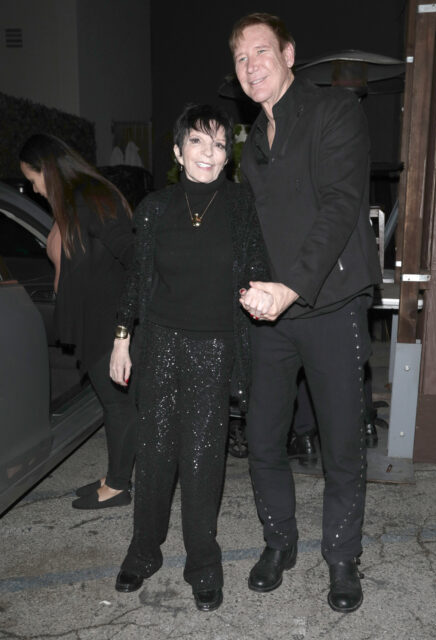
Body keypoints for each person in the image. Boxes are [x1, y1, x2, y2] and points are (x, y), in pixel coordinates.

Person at [230, 13, 382, 612]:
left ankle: (342, 558)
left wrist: (290, 286)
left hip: (332, 303)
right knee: (264, 436)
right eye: (241, 59)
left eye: (261, 52)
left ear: (289, 53)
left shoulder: (334, 112)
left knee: (340, 441)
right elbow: (254, 230)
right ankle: (279, 542)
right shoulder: (253, 146)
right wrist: (244, 285)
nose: (251, 67)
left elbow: (341, 206)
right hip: (270, 312)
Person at [109, 104, 271, 612]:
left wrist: (260, 292)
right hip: (159, 342)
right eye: (198, 142)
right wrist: (121, 336)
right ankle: (144, 550)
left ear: (228, 157)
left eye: (220, 144)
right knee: (155, 452)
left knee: (202, 459)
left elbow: (259, 265)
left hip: (215, 345)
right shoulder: (155, 207)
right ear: (179, 152)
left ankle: (202, 561)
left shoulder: (243, 205)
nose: (209, 153)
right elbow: (137, 277)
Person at [19, 134, 137, 510]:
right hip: (94, 321)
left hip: (107, 322)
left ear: (47, 170)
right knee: (112, 403)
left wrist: (124, 326)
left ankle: (119, 485)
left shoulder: (88, 197)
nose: (34, 189)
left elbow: (133, 253)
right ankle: (116, 473)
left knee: (118, 407)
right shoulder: (73, 201)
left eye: (33, 180)